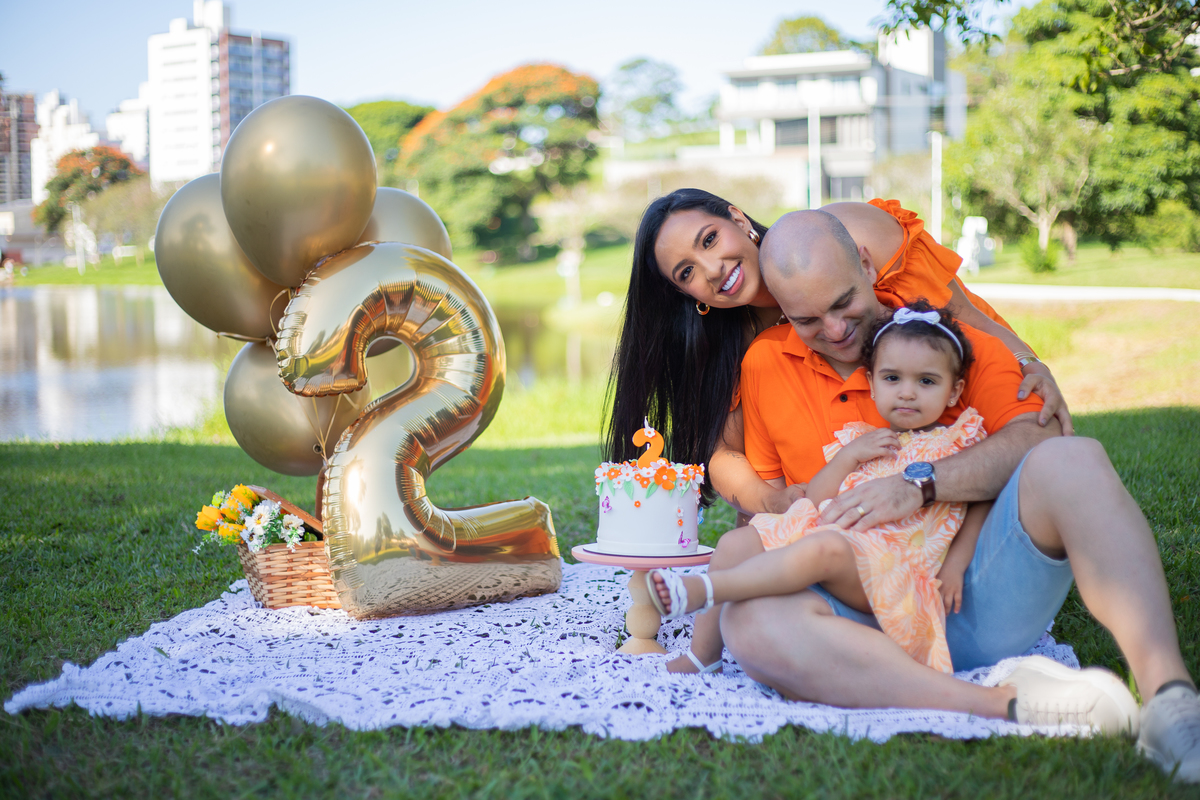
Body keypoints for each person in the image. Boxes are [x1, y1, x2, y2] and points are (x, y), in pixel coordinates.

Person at [716, 210, 1199, 780]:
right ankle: (1002, 704)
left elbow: (1039, 433)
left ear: (866, 265)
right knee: (747, 622)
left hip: (972, 593)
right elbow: (773, 507)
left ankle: (1170, 699)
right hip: (854, 613)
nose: (836, 329)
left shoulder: (944, 339)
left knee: (1074, 459)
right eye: (808, 319)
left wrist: (921, 485)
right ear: (781, 308)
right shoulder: (765, 362)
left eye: (844, 302)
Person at [606, 190, 1070, 537]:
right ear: (685, 294)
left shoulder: (848, 234)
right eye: (687, 271)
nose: (712, 269)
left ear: (738, 218)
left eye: (709, 240)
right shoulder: (744, 344)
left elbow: (965, 316)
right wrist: (767, 505)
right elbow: (730, 454)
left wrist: (1027, 363)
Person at [647, 300, 991, 675]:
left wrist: (956, 565)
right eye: (892, 379)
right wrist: (848, 456)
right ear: (872, 384)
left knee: (825, 545)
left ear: (954, 391)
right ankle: (703, 655)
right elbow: (814, 501)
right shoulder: (864, 440)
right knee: (735, 543)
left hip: (895, 572)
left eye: (926, 381)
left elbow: (980, 500)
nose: (907, 393)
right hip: (837, 548)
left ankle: (707, 589)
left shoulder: (960, 443)